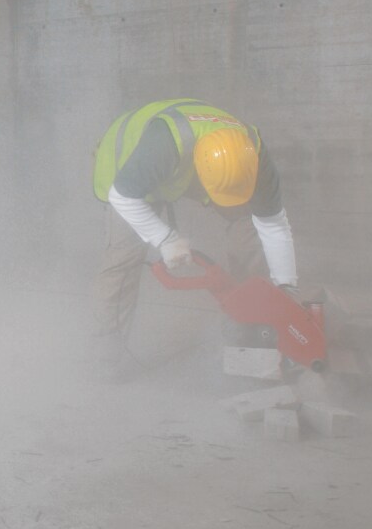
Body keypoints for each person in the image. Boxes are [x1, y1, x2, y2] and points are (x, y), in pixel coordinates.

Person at [92, 98, 297, 379]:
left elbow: (273, 225)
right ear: (200, 171)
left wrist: (285, 287)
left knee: (248, 226)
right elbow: (123, 197)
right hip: (126, 168)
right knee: (123, 260)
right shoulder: (161, 147)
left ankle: (250, 331)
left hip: (185, 163)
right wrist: (165, 239)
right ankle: (106, 360)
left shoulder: (254, 154)